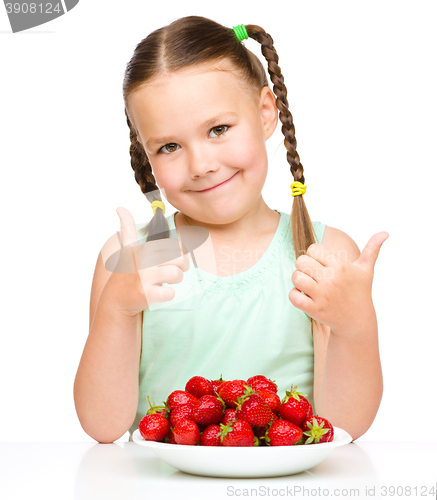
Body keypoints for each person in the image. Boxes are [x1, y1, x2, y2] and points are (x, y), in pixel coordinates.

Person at [73, 16, 389, 444]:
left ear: (265, 113)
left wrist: (356, 326)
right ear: (147, 157)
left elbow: (346, 425)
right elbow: (102, 425)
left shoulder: (322, 253)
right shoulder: (132, 258)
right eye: (169, 146)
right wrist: (116, 308)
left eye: (218, 129)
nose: (201, 165)